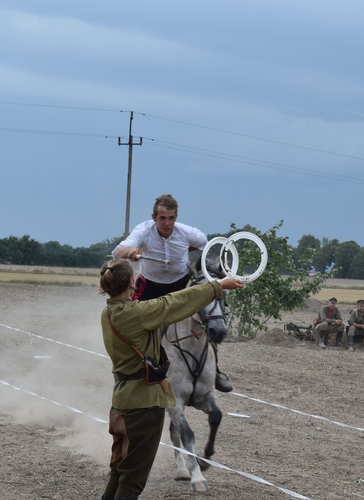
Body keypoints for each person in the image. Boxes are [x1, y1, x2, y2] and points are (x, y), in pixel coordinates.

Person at [99, 258, 244, 500]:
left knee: (118, 472)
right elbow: (175, 302)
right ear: (131, 285)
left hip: (121, 402)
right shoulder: (137, 314)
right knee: (131, 484)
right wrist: (218, 286)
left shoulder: (108, 313)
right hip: (143, 406)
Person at [113, 194, 233, 393]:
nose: (167, 223)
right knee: (136, 324)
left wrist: (187, 248)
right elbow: (119, 251)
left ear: (176, 217)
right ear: (154, 217)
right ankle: (136, 369)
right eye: (162, 218)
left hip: (181, 284)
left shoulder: (188, 233)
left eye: (171, 218)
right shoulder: (143, 231)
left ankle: (216, 371)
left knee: (207, 319)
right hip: (150, 286)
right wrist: (131, 252)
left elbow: (206, 244)